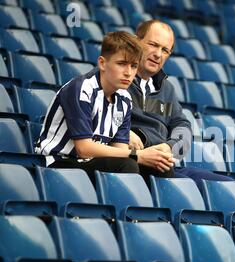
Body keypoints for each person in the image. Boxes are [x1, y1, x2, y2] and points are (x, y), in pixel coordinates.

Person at [35, 31, 175, 183]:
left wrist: (147, 156)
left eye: (134, 66)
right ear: (102, 63)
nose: (128, 73)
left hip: (94, 161)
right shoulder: (81, 89)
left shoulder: (124, 99)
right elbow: (84, 149)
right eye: (121, 64)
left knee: (161, 167)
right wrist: (137, 156)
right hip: (59, 162)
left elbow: (120, 149)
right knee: (127, 165)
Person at [128, 19, 233, 187]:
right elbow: (95, 114)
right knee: (184, 187)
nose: (158, 54)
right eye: (153, 45)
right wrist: (123, 132)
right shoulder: (115, 76)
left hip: (164, 164)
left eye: (165, 50)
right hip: (135, 162)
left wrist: (170, 147)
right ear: (135, 42)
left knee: (229, 186)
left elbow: (182, 125)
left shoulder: (166, 88)